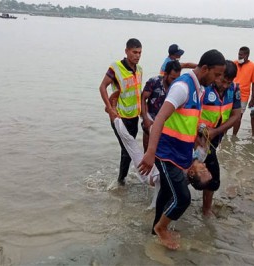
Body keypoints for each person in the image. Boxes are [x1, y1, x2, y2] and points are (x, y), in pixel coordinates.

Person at [138, 50, 226, 250]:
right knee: (183, 198)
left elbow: (188, 119)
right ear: (205, 69)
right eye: (217, 74)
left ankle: (155, 229)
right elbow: (159, 118)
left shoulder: (199, 89)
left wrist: (196, 140)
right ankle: (162, 228)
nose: (218, 80)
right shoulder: (182, 87)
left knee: (167, 192)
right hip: (165, 153)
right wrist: (150, 152)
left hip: (179, 154)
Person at [199, 60, 242, 216]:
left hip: (214, 137)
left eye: (228, 82)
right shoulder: (204, 87)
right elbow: (190, 111)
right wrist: (201, 131)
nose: (224, 85)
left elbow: (236, 115)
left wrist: (217, 131)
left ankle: (206, 210)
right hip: (197, 137)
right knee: (193, 172)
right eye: (222, 80)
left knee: (211, 177)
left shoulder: (234, 89)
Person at [99, 38, 143, 186]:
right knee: (127, 150)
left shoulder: (140, 70)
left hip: (134, 118)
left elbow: (138, 94)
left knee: (129, 151)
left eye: (139, 53)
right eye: (134, 52)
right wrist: (110, 110)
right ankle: (121, 182)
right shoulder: (116, 67)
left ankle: (122, 179)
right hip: (120, 118)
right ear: (126, 51)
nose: (137, 56)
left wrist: (145, 115)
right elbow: (103, 87)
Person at [141, 60, 181, 151]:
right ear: (166, 74)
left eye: (177, 79)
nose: (175, 82)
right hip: (150, 123)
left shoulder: (178, 87)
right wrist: (145, 118)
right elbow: (143, 99)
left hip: (167, 127)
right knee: (147, 153)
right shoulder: (154, 82)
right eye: (172, 78)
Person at [232, 46, 254, 136]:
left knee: (238, 117)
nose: (239, 57)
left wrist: (252, 99)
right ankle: (224, 134)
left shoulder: (253, 67)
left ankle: (234, 135)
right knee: (227, 116)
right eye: (239, 54)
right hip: (231, 93)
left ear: (247, 55)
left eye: (241, 55)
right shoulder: (234, 63)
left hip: (243, 95)